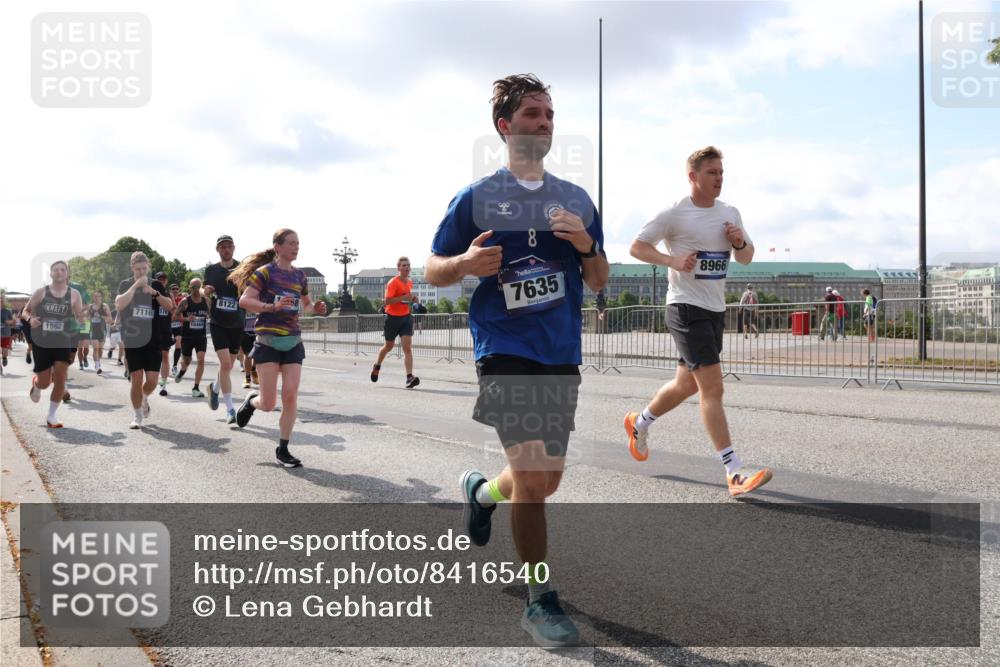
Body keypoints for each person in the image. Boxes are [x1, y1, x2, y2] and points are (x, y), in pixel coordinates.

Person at [426, 74, 608, 648]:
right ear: (505, 126)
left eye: (549, 114)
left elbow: (599, 278)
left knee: (544, 482)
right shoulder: (476, 198)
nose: (544, 122)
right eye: (532, 113)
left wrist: (585, 244)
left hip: (559, 348)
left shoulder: (576, 199)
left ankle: (481, 494)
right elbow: (433, 267)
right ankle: (539, 599)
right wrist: (463, 265)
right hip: (503, 345)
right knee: (531, 478)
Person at [624, 145, 772, 497]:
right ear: (693, 176)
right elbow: (637, 247)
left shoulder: (729, 212)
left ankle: (638, 422)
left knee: (686, 385)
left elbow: (747, 258)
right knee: (713, 389)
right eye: (712, 172)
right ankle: (734, 472)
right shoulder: (674, 213)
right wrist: (672, 261)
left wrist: (739, 242)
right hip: (685, 306)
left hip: (714, 309)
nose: (719, 178)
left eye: (721, 173)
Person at [231, 229, 327, 466]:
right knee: (268, 404)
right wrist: (271, 307)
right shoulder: (265, 273)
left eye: (298, 243)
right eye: (291, 243)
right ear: (278, 247)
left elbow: (306, 304)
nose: (296, 247)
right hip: (268, 341)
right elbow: (245, 301)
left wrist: (316, 308)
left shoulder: (300, 276)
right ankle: (252, 401)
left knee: (290, 395)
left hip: (293, 341)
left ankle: (283, 449)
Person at [116, 251, 174, 429]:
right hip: (132, 339)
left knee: (153, 381)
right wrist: (135, 286)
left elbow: (170, 306)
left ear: (148, 267)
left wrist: (154, 293)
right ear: (132, 268)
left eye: (144, 268)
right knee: (136, 377)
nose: (141, 272)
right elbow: (119, 304)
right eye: (137, 269)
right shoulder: (126, 284)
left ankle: (143, 397)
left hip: (153, 339)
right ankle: (137, 416)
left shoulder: (156, 284)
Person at [23, 261, 84, 427]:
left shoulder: (74, 294)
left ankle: (52, 415)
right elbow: (25, 311)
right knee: (44, 382)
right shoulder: (41, 292)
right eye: (55, 270)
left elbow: (79, 317)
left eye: (62, 269)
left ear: (67, 273)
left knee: (60, 377)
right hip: (42, 341)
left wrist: (79, 321)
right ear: (51, 274)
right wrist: (31, 319)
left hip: (62, 340)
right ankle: (37, 384)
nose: (59, 272)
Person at [203, 235, 244, 423]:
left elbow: (250, 289)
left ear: (233, 248)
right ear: (217, 249)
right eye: (222, 247)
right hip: (218, 322)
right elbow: (205, 289)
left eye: (229, 246)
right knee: (226, 365)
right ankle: (230, 409)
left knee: (228, 366)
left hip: (237, 323)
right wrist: (206, 291)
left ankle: (215, 388)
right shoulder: (211, 270)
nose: (226, 249)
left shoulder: (242, 268)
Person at [370, 257, 420, 388]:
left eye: (408, 265)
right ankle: (377, 365)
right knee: (388, 347)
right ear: (398, 268)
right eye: (404, 265)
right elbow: (387, 301)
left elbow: (405, 300)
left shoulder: (409, 282)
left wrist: (413, 299)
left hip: (406, 318)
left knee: (407, 348)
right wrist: (403, 297)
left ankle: (409, 377)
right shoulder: (393, 282)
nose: (407, 267)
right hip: (392, 318)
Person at [173, 278, 209, 397]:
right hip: (187, 336)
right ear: (190, 288)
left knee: (201, 360)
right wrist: (187, 319)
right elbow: (175, 316)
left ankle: (196, 388)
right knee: (187, 361)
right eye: (194, 288)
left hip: (201, 336)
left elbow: (213, 314)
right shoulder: (185, 301)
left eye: (198, 287)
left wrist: (209, 316)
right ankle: (182, 372)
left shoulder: (206, 301)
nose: (196, 290)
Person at [86, 291, 112, 375]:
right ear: (93, 297)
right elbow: (86, 318)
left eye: (99, 296)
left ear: (102, 297)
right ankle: (97, 367)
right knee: (95, 349)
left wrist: (101, 316)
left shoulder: (105, 306)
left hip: (102, 330)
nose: (97, 298)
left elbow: (110, 319)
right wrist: (89, 316)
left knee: (100, 350)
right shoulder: (90, 306)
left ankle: (98, 362)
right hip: (93, 329)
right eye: (95, 296)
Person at [240, 308, 258, 388]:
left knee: (257, 354)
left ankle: (253, 369)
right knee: (248, 355)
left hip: (258, 332)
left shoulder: (260, 301)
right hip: (245, 332)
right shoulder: (242, 302)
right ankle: (247, 379)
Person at [1, 292, 15, 374]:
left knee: (4, 351)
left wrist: (9, 322)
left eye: (2, 300)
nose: (1, 301)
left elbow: (13, 322)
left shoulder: (8, 311)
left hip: (5, 334)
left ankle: (4, 358)